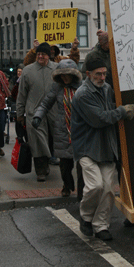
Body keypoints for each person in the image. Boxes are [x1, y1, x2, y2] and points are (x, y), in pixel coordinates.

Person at [71, 58, 134, 241]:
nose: (102, 77)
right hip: (86, 147)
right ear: (88, 74)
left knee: (108, 188)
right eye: (98, 74)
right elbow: (98, 119)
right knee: (95, 185)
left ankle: (101, 226)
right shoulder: (83, 94)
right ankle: (86, 217)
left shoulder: (106, 88)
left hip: (106, 146)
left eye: (104, 73)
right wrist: (122, 112)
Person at [32, 59, 82, 197]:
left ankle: (82, 193)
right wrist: (38, 116)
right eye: (62, 75)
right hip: (62, 130)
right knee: (65, 166)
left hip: (80, 130)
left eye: (68, 74)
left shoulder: (82, 87)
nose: (65, 77)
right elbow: (45, 104)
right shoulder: (57, 88)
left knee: (82, 166)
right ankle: (67, 184)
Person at [16, 42, 57, 181]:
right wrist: (20, 114)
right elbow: (21, 94)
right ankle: (41, 170)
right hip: (34, 112)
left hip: (53, 112)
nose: (40, 56)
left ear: (49, 55)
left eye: (43, 54)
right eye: (38, 54)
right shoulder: (27, 71)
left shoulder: (56, 69)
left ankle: (50, 161)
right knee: (37, 142)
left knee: (52, 139)